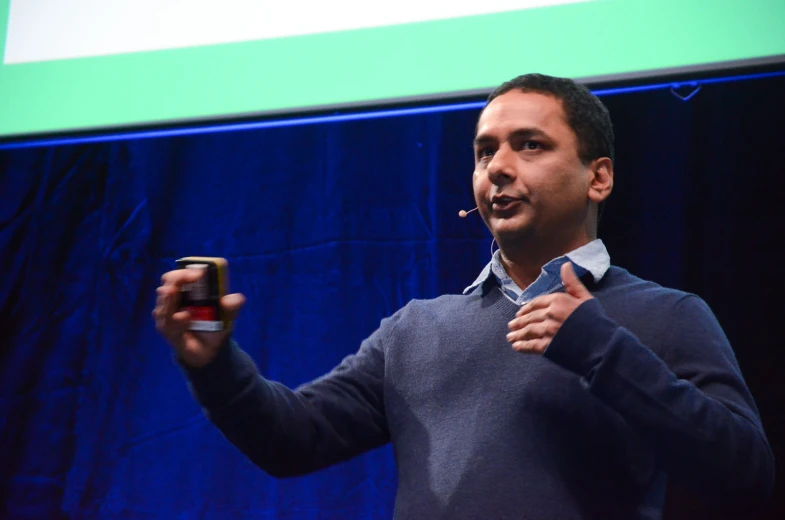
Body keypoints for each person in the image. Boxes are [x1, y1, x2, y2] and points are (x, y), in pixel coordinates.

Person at [153, 74, 774, 519]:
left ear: (599, 177)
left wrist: (601, 349)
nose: (497, 167)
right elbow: (292, 440)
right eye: (484, 152)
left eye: (529, 145)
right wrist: (212, 365)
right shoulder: (415, 331)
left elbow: (746, 477)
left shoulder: (666, 315)